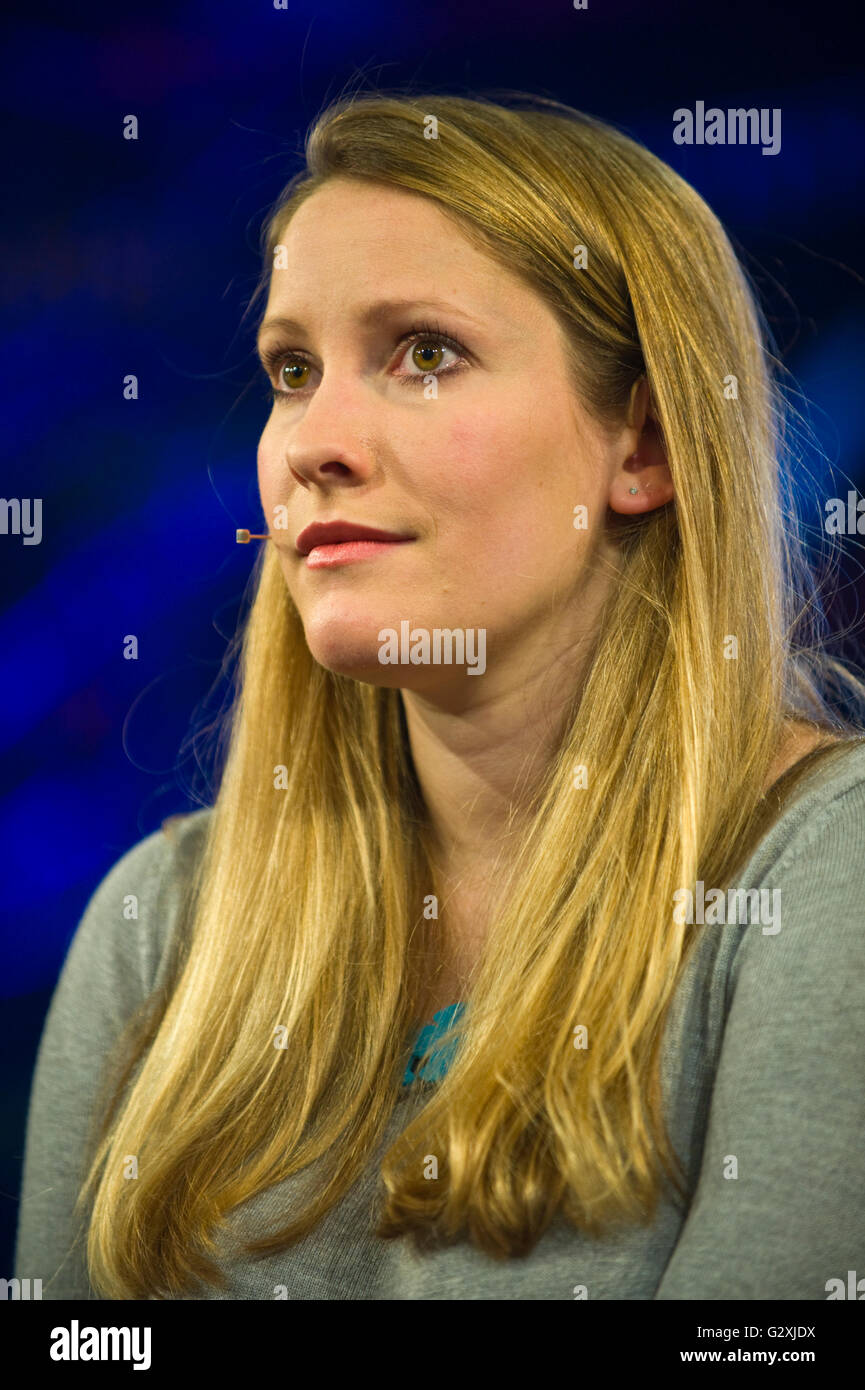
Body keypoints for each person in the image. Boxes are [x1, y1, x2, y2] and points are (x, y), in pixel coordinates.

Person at [15, 90, 865, 1301]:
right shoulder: (161, 925)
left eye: (423, 353)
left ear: (646, 445)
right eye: (292, 369)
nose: (314, 440)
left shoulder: (826, 873)